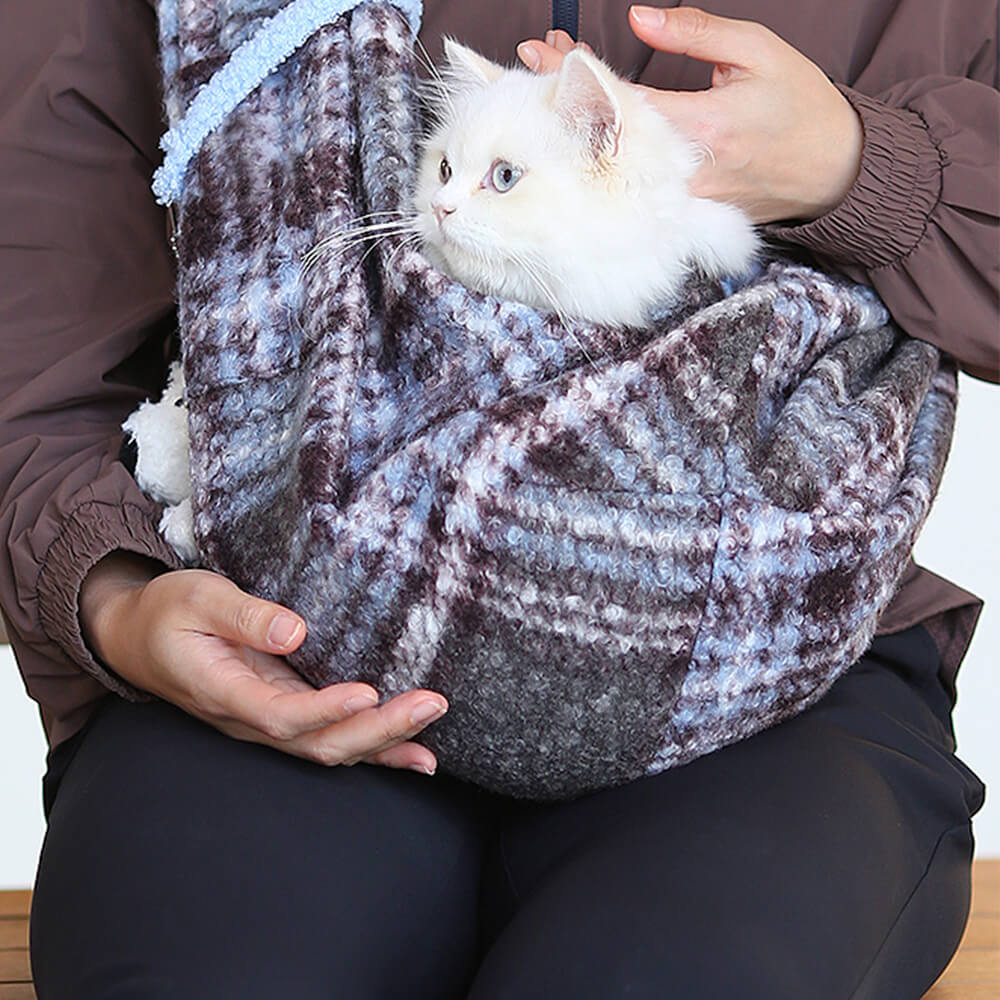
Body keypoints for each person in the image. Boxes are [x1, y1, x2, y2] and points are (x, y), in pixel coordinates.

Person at [0, 1, 995, 996]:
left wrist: (871, 169)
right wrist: (105, 583)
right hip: (281, 629)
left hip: (771, 661)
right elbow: (32, 314)